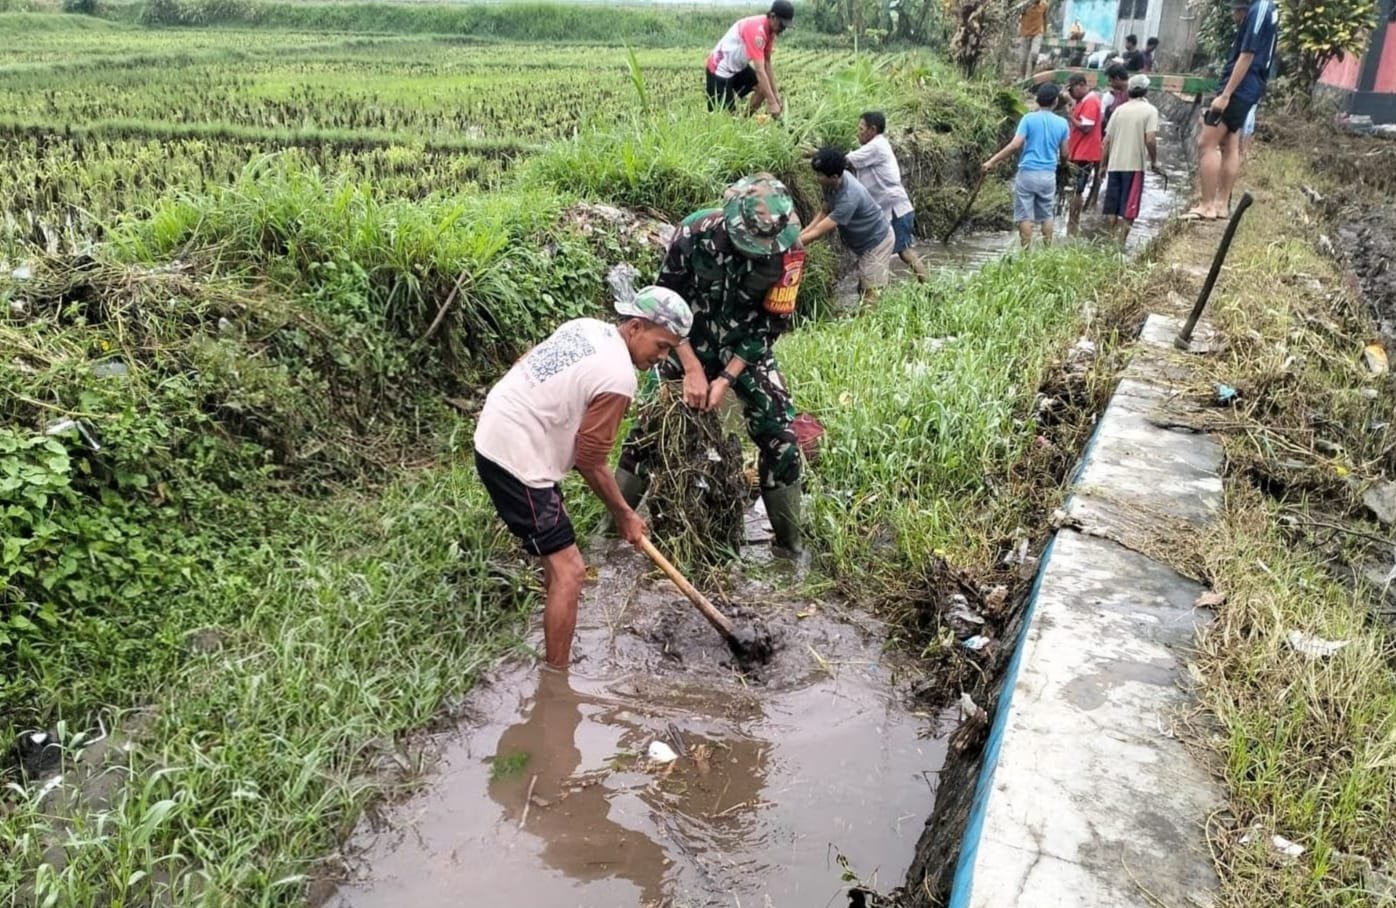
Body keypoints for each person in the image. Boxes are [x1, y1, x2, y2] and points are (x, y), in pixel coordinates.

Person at [475, 288, 692, 669]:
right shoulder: (619, 379)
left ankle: (556, 637)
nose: (661, 357)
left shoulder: (586, 327)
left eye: (670, 350)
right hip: (516, 457)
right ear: (635, 327)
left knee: (557, 558)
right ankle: (557, 679)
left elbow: (528, 362)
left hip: (502, 423)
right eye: (660, 345)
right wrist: (624, 513)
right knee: (571, 571)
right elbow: (590, 459)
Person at [616, 174, 809, 555]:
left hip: (746, 348)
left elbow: (772, 324)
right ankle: (611, 531)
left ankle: (790, 547)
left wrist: (725, 379)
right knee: (650, 427)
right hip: (685, 341)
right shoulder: (694, 233)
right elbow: (666, 308)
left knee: (780, 435)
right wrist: (691, 368)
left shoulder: (790, 251)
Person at [1187, 0, 1278, 220]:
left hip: (1240, 88)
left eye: (1236, 11)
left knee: (1207, 143)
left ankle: (1207, 205)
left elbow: (1247, 55)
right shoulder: (1265, 8)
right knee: (1231, 143)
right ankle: (1221, 204)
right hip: (1246, 88)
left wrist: (1226, 95)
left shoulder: (1260, 9)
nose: (1234, 16)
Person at [800, 147, 895, 302]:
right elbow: (823, 212)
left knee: (871, 292)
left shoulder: (849, 197)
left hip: (877, 241)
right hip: (864, 242)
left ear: (834, 176)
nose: (817, 178)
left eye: (820, 175)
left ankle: (873, 317)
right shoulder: (832, 184)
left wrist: (791, 246)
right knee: (863, 288)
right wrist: (799, 236)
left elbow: (819, 232)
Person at [982, 81, 1070, 247]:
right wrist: (1064, 166)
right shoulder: (1062, 123)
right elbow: (1065, 153)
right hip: (1048, 174)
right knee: (1047, 214)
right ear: (1055, 102)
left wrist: (992, 161)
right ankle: (1047, 251)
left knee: (1025, 215)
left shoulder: (1028, 119)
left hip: (1028, 172)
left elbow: (1015, 145)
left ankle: (1026, 253)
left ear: (1037, 100)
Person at [845, 112, 929, 282]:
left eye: (861, 129)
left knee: (903, 251)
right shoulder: (875, 146)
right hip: (888, 210)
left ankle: (929, 289)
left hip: (894, 210)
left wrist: (818, 155)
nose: (858, 132)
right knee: (882, 252)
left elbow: (847, 160)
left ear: (872, 129)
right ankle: (869, 291)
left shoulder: (876, 146)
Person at [1100, 73, 1163, 241]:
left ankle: (1109, 241)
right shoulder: (1150, 110)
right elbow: (1150, 139)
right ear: (1146, 91)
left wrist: (1103, 165)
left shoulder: (1119, 110)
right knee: (1130, 208)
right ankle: (1120, 243)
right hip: (1134, 165)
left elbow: (1107, 140)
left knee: (1112, 207)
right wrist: (1154, 161)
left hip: (1114, 165)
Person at [706, 0, 794, 118]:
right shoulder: (757, 32)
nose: (783, 29)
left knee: (762, 89)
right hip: (719, 69)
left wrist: (775, 94)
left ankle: (744, 121)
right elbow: (760, 70)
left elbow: (767, 62)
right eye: (782, 25)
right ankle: (735, 121)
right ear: (773, 17)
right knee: (725, 119)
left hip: (737, 66)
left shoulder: (771, 31)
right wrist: (772, 103)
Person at [1063, 72, 1103, 235]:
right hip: (1079, 151)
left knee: (1077, 189)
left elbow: (1086, 127)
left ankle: (1073, 223)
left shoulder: (1091, 101)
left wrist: (1070, 117)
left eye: (1072, 90)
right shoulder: (1083, 101)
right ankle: (1072, 221)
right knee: (1074, 188)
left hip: (1085, 153)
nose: (1071, 93)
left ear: (1081, 85)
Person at [1017, 0, 1049, 79]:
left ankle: (1031, 74)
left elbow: (1045, 18)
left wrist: (1045, 31)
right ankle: (1022, 77)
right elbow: (1018, 16)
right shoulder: (1025, 5)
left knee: (1034, 54)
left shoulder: (1044, 5)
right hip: (1025, 33)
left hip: (1037, 33)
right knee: (1023, 59)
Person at [1100, 62, 1130, 130]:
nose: (1109, 84)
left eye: (1110, 80)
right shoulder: (1118, 93)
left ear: (1117, 78)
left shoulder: (1132, 94)